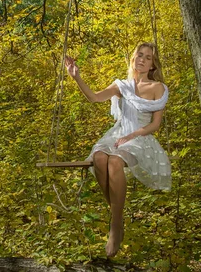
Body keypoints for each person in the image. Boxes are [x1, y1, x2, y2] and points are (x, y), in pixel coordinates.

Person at [64, 42, 171, 257]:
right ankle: (118, 216)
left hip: (139, 137)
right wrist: (76, 77)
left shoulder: (158, 88)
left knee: (114, 162)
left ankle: (115, 225)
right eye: (139, 55)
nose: (142, 59)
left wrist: (131, 136)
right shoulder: (122, 86)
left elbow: (155, 125)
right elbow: (94, 97)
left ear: (152, 65)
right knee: (100, 157)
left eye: (148, 57)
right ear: (133, 58)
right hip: (118, 134)